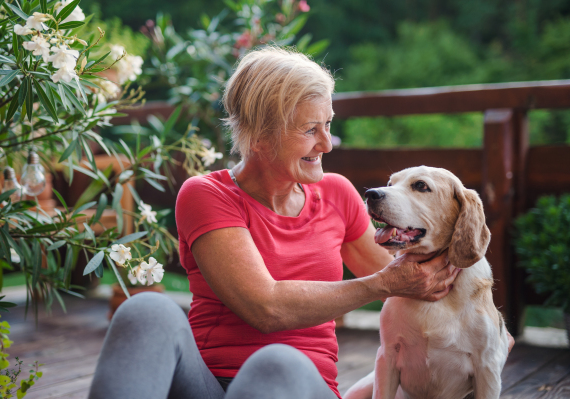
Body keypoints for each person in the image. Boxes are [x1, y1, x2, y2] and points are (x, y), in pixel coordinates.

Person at [88, 47, 460, 399]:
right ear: (260, 136)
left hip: (298, 385)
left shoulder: (337, 195)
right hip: (208, 385)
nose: (327, 144)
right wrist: (378, 286)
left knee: (276, 362)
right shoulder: (207, 195)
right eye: (310, 130)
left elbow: (415, 278)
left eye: (328, 124)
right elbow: (266, 308)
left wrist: (481, 318)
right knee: (146, 311)